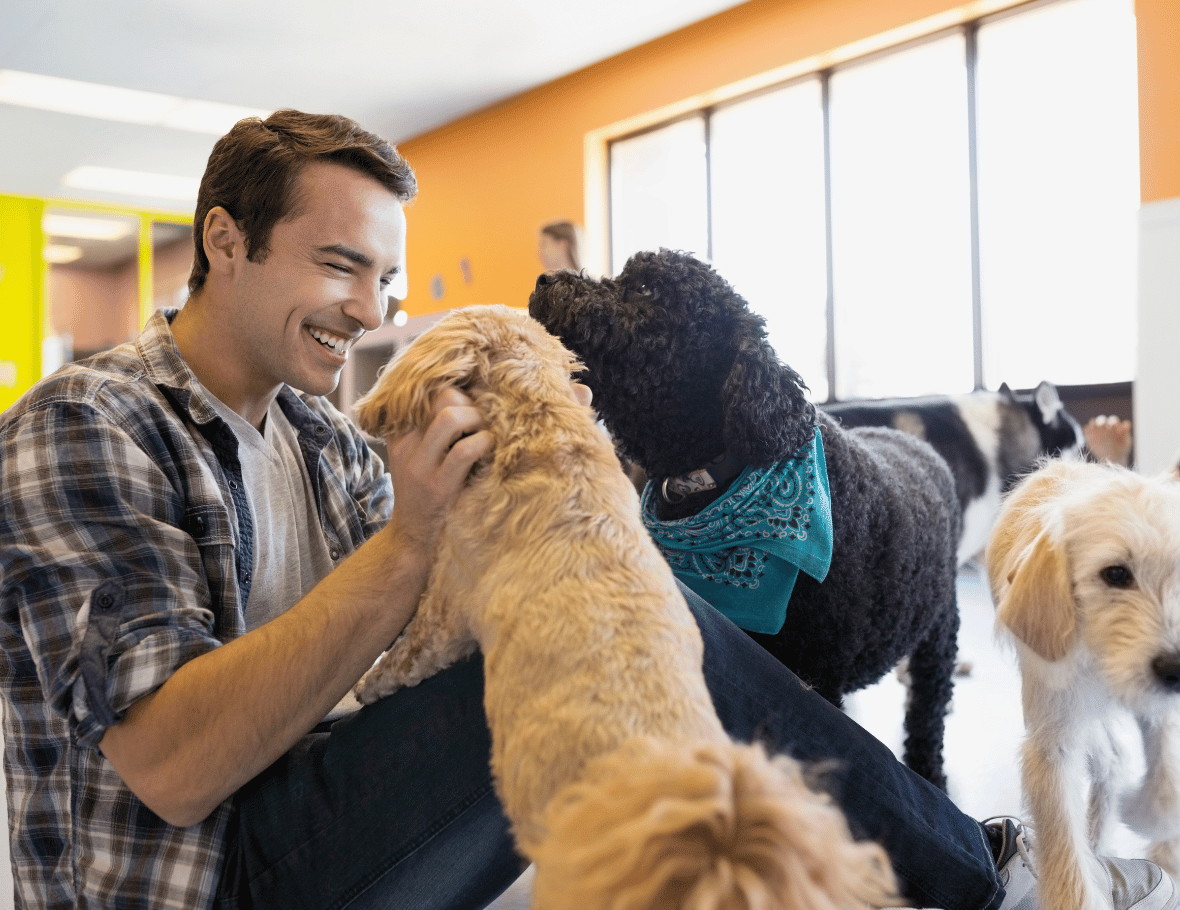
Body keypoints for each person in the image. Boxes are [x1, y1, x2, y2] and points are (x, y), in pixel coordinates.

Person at [0, 109, 1172, 910]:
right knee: (618, 630)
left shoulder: (320, 433)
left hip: (330, 800)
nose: (369, 310)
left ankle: (950, 873)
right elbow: (171, 768)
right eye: (339, 266)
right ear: (224, 240)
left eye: (387, 281)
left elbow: (406, 646)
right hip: (213, 876)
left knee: (642, 608)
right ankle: (981, 881)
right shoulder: (88, 424)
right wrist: (416, 540)